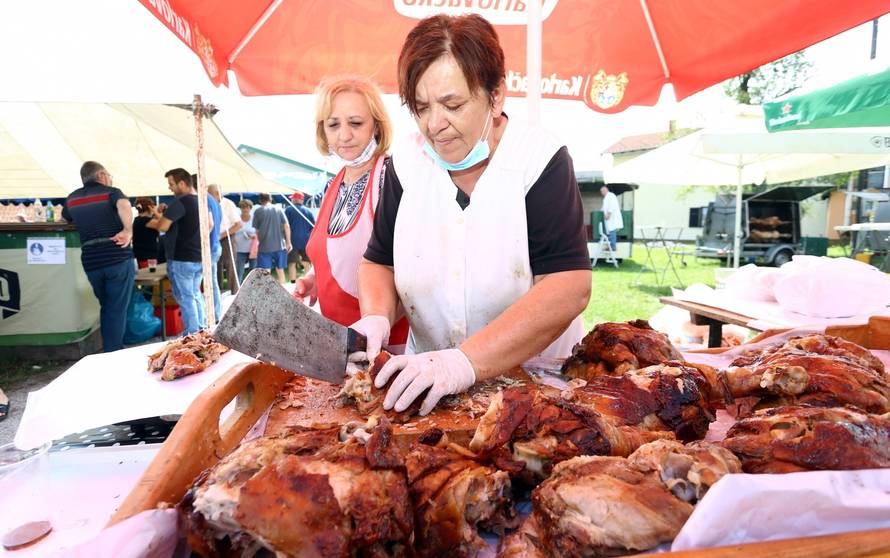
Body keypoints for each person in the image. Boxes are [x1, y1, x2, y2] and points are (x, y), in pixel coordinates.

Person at [354, 14, 591, 415]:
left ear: (496, 95)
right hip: (428, 390)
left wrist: (464, 361)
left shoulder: (539, 160)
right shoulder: (406, 166)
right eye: (421, 107)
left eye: (453, 105)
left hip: (535, 391)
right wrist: (376, 316)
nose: (435, 125)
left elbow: (569, 285)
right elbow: (379, 261)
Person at [298, 75, 409, 348]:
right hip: (339, 347)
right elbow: (339, 256)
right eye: (333, 125)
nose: (344, 135)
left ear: (377, 127)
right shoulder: (333, 184)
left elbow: (417, 271)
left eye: (356, 123)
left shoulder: (391, 179)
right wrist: (316, 280)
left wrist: (377, 322)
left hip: (390, 349)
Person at [62, 161, 135, 352]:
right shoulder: (112, 193)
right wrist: (128, 230)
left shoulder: (72, 198)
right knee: (116, 308)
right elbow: (125, 205)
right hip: (116, 255)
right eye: (109, 175)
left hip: (91, 260)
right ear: (101, 175)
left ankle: (110, 349)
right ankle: (113, 352)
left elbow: (65, 218)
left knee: (107, 306)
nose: (111, 179)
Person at [146, 168, 208, 334]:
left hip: (181, 257)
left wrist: (158, 218)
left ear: (182, 183)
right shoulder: (201, 201)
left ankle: (192, 332)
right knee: (195, 294)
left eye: (171, 184)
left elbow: (163, 226)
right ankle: (201, 328)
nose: (170, 188)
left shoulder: (180, 202)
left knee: (186, 297)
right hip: (198, 255)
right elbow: (209, 225)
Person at [209, 184, 243, 294]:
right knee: (215, 267)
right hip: (214, 238)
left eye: (210, 194)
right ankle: (218, 294)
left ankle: (234, 294)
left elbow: (238, 224)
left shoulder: (228, 204)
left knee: (230, 267)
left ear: (217, 193)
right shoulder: (210, 204)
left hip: (227, 238)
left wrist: (221, 235)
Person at [252, 193, 291, 283]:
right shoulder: (279, 209)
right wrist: (289, 242)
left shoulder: (258, 211)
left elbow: (257, 231)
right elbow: (286, 226)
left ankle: (266, 295)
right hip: (280, 245)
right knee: (280, 271)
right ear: (270, 199)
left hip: (264, 246)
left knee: (265, 272)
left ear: (260, 200)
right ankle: (282, 293)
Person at [285, 191, 315, 282]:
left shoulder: (288, 210)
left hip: (292, 241)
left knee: (292, 263)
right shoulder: (308, 211)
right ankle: (307, 282)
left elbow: (285, 225)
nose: (291, 200)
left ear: (296, 199)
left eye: (292, 198)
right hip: (306, 241)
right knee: (306, 263)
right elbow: (313, 227)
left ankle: (293, 283)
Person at [133, 197, 160, 268]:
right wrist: (156, 212)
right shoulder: (147, 221)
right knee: (150, 275)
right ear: (150, 207)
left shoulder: (138, 220)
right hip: (148, 256)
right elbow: (166, 224)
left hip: (142, 254)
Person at [234, 199, 257, 282]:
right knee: (239, 271)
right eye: (243, 207)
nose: (245, 209)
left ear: (250, 208)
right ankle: (238, 290)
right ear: (240, 208)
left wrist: (254, 236)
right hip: (239, 249)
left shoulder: (254, 219)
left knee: (253, 271)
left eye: (247, 207)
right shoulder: (236, 219)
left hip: (253, 250)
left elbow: (259, 231)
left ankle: (253, 290)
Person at [600, 185, 624, 251]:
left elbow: (612, 205)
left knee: (612, 230)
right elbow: (604, 207)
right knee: (610, 230)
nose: (602, 192)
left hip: (612, 217)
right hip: (609, 218)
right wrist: (600, 211)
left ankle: (613, 246)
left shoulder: (611, 195)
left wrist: (608, 214)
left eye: (603, 191)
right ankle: (610, 246)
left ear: (606, 190)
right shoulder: (606, 198)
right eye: (601, 191)